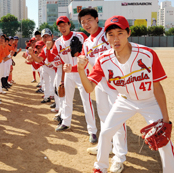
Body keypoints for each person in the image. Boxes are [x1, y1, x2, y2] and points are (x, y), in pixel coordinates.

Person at [76, 15, 174, 173]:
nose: (115, 38)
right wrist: (81, 71)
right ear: (106, 37)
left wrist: (166, 121)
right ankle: (100, 167)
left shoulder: (147, 54)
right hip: (125, 100)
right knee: (106, 133)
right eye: (111, 34)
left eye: (120, 33)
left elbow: (157, 88)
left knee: (164, 142)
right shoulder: (103, 60)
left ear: (128, 33)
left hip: (149, 100)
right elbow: (89, 88)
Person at [68, 8, 127, 171]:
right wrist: (74, 65)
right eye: (83, 22)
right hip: (99, 84)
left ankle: (120, 156)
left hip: (115, 83)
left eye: (89, 20)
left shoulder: (107, 34)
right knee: (104, 116)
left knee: (118, 119)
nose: (86, 24)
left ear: (96, 19)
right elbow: (87, 65)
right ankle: (106, 146)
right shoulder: (86, 43)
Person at [48, 16, 96, 141]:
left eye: (64, 25)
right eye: (60, 25)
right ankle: (66, 122)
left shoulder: (80, 36)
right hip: (68, 74)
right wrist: (48, 48)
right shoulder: (58, 42)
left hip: (82, 73)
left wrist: (77, 60)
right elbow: (53, 59)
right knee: (66, 100)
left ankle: (92, 131)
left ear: (69, 24)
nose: (62, 27)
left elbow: (86, 56)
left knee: (86, 101)